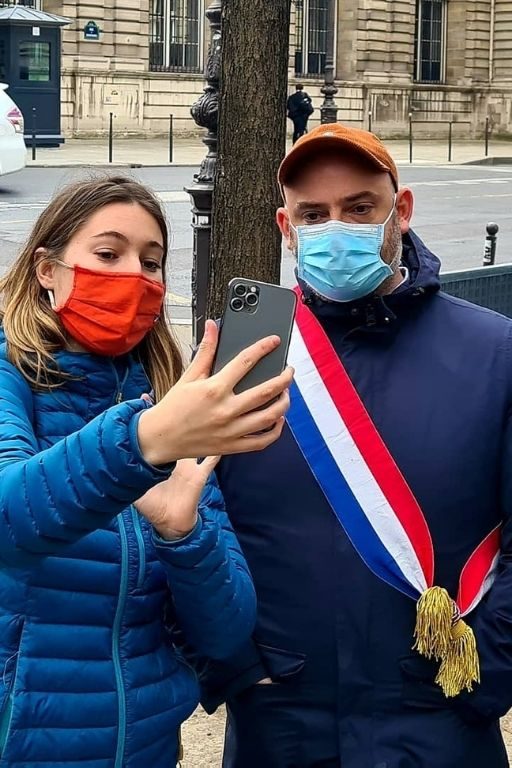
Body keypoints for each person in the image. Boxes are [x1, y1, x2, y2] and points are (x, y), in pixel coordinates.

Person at [198, 124, 512, 768]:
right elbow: (194, 520)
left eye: (359, 208)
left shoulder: (496, 353)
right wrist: (229, 665)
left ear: (402, 211)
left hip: (435, 725)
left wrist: (485, 678)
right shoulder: (241, 354)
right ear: (287, 228)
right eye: (314, 214)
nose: (334, 227)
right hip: (278, 725)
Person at [0, 175, 293, 767]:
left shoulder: (168, 403)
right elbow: (9, 521)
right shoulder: (12, 374)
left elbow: (226, 631)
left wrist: (184, 535)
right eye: (108, 254)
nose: (135, 276)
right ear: (46, 270)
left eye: (152, 262)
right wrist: (143, 443)